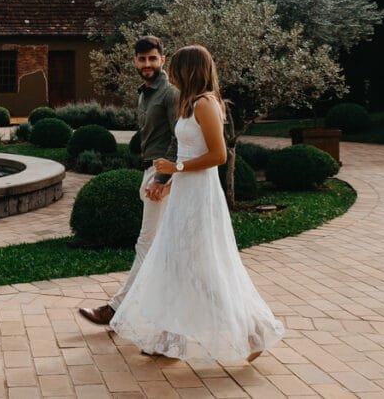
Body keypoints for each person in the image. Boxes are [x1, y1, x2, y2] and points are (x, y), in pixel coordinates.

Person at [109, 45, 283, 361]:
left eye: (175, 67)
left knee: (201, 268)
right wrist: (169, 182)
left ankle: (256, 330)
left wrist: (173, 168)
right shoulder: (188, 103)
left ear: (188, 70)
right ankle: (167, 340)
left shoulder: (204, 103)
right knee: (174, 264)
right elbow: (189, 152)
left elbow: (219, 155)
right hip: (184, 194)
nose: (170, 72)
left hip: (200, 198)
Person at [78, 35, 179, 325]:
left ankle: (115, 309)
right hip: (150, 172)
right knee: (159, 249)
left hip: (162, 177)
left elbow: (177, 137)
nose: (147, 64)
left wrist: (162, 178)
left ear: (162, 59)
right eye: (142, 59)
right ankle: (150, 314)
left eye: (152, 58)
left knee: (146, 244)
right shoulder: (144, 93)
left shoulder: (170, 94)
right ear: (135, 61)